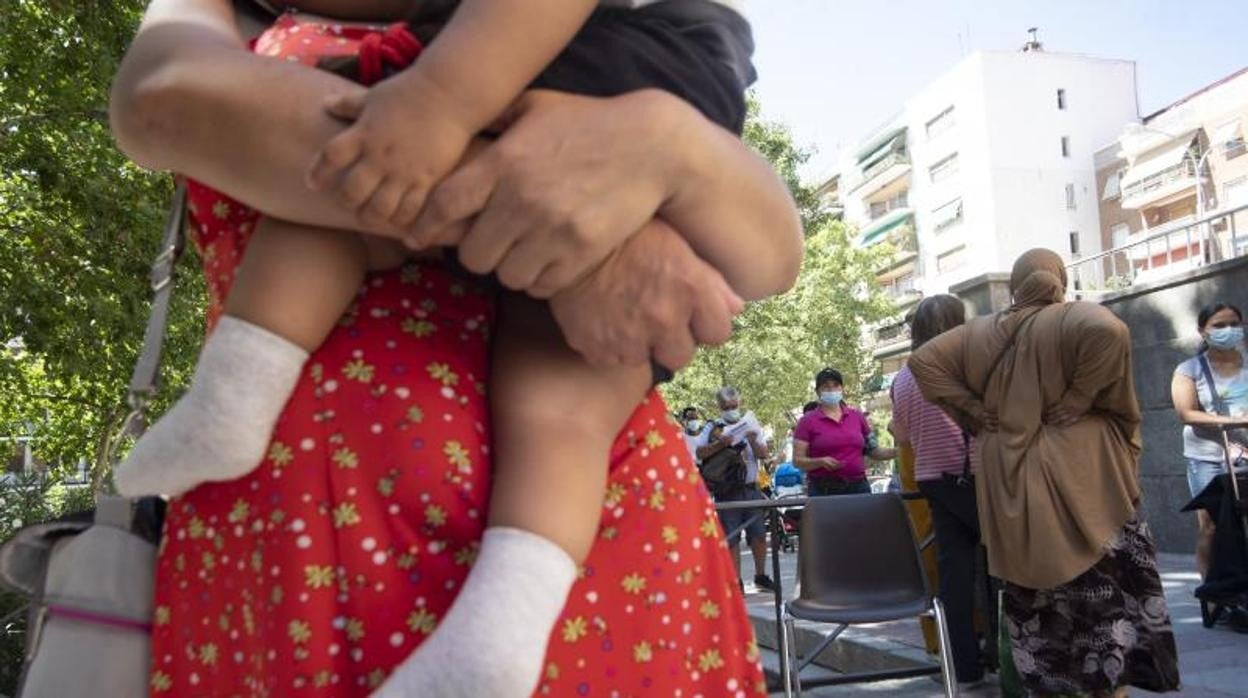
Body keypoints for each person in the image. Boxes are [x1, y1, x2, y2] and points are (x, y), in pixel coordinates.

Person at [108, 1, 804, 694]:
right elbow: (158, 99)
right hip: (283, 561)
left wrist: (667, 146)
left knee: (559, 407)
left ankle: (503, 623)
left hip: (598, 560)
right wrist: (586, 233)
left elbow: (771, 260)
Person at [910, 249, 1180, 697]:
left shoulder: (981, 332)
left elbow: (923, 362)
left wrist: (975, 411)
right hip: (1087, 475)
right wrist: (1079, 395)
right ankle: (1109, 687)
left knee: (1035, 599)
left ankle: (1053, 685)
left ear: (1016, 284)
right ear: (1059, 279)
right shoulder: (1074, 318)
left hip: (1012, 481)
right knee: (1104, 587)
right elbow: (1110, 329)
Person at [891, 294, 983, 688]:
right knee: (1007, 566)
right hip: (976, 477)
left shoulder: (904, 376)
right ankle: (1014, 655)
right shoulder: (963, 363)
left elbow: (904, 434)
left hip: (933, 481)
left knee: (954, 575)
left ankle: (964, 667)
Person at [1171, 302, 1248, 581]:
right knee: (1212, 527)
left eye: (1234, 324)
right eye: (1219, 325)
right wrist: (1237, 422)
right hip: (1207, 459)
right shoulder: (1189, 369)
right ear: (1202, 331)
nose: (1228, 330)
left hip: (1245, 455)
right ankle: (1212, 594)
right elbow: (1186, 413)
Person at [697, 387, 776, 592]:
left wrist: (752, 439)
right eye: (726, 407)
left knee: (759, 534)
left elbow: (764, 453)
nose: (731, 410)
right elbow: (699, 453)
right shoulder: (712, 427)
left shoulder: (750, 423)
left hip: (751, 488)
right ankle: (735, 582)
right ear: (720, 407)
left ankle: (761, 576)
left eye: (734, 406)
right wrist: (720, 445)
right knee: (731, 537)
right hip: (727, 492)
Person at [792, 368, 896, 496]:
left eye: (835, 385)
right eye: (826, 386)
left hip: (858, 488)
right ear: (818, 392)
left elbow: (873, 450)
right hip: (824, 490)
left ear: (842, 388)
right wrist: (820, 462)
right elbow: (797, 460)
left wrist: (898, 451)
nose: (831, 390)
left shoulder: (857, 417)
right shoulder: (806, 421)